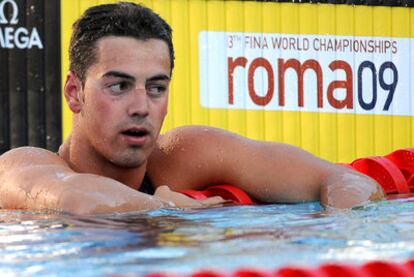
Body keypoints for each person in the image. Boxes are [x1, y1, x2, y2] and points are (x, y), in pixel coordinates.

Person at [0, 2, 384, 214]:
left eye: (156, 87)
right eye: (118, 86)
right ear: (74, 93)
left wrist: (343, 231)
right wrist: (163, 209)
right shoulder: (25, 166)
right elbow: (76, 200)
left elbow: (344, 179)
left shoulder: (184, 155)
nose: (140, 107)